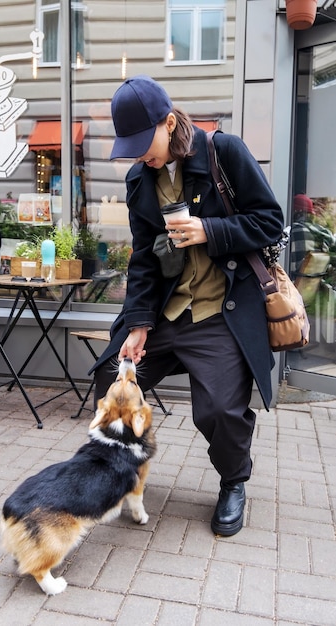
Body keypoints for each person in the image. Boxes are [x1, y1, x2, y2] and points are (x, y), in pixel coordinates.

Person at [92, 75, 284, 537]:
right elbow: (142, 258)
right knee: (107, 375)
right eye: (132, 146)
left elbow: (270, 222)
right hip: (164, 312)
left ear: (170, 122)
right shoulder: (140, 179)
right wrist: (137, 324)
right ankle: (123, 469)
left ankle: (234, 480)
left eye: (145, 142)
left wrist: (210, 231)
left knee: (218, 411)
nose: (140, 154)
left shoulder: (225, 152)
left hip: (221, 310)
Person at [290, 193, 336, 280]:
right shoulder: (324, 233)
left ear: (294, 212)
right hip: (315, 289)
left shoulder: (290, 231)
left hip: (289, 288)